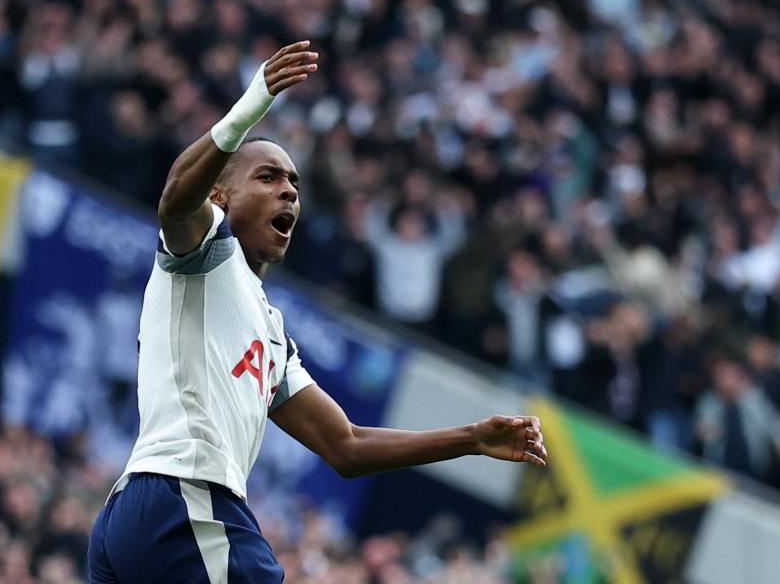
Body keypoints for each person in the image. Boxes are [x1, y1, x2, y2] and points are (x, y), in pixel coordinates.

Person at [87, 40, 548, 584]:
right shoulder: (206, 252)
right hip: (183, 499)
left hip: (138, 520)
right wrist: (252, 104)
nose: (288, 192)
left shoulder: (273, 333)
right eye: (268, 178)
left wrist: (470, 439)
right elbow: (173, 201)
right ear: (221, 197)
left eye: (294, 185)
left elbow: (346, 445)